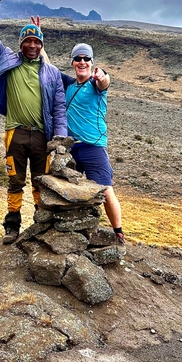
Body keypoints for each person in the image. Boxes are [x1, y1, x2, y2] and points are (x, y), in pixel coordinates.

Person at [0, 0, 67, 244]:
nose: (31, 45)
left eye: (36, 41)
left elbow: (59, 108)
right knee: (15, 181)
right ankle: (12, 225)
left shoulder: (51, 73)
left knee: (42, 182)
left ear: (41, 45)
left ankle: (40, 223)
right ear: (21, 43)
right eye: (27, 40)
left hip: (42, 136)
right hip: (15, 133)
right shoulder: (7, 59)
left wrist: (60, 139)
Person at [61, 43, 125, 246]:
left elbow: (105, 82)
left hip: (93, 147)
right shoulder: (69, 85)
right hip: (71, 147)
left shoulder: (95, 85)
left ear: (91, 63)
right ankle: (73, 231)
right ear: (72, 62)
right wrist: (41, 39)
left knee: (105, 190)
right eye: (78, 58)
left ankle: (118, 233)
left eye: (86, 59)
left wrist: (102, 76)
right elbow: (46, 65)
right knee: (69, 191)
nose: (82, 62)